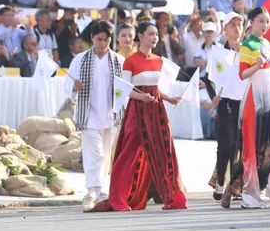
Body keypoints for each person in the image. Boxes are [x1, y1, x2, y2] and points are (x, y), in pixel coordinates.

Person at [88, 21, 188, 212]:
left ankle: (174, 196)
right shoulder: (131, 61)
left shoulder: (159, 60)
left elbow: (155, 88)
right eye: (150, 34)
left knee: (165, 151)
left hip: (156, 110)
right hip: (137, 111)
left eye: (156, 34)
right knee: (128, 154)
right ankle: (118, 198)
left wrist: (169, 98)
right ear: (140, 36)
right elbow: (123, 89)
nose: (154, 38)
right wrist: (141, 96)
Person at [224, 7, 270, 209]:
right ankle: (249, 193)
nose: (265, 25)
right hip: (254, 98)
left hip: (269, 97)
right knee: (253, 146)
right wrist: (256, 65)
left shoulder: (265, 43)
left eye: (267, 21)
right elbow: (243, 74)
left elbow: (267, 70)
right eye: (260, 21)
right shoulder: (247, 45)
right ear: (251, 22)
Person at [68, 22, 125, 212]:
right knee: (95, 153)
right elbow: (67, 84)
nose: (103, 43)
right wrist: (74, 86)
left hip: (110, 114)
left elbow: (124, 89)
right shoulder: (80, 60)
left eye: (106, 40)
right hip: (89, 113)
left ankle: (101, 190)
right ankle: (92, 192)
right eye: (99, 39)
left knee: (106, 154)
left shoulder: (118, 60)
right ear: (92, 38)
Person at [208, 12, 245, 200]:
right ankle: (221, 180)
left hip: (244, 103)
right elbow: (208, 79)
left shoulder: (247, 51)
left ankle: (236, 186)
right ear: (225, 29)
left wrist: (243, 54)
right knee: (226, 145)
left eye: (239, 24)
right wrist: (213, 96)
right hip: (225, 103)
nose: (237, 28)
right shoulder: (218, 52)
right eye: (233, 25)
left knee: (241, 146)